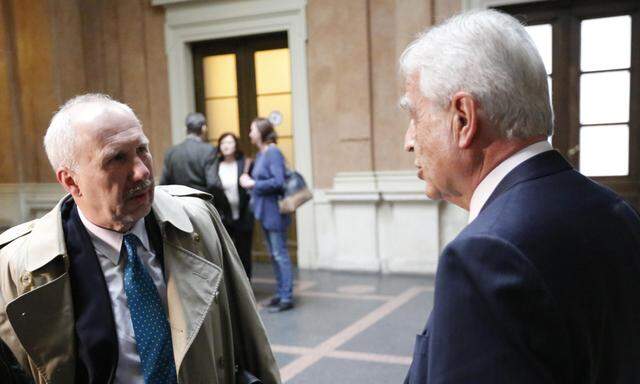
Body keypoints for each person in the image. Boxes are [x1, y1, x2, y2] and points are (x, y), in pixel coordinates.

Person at [400, 10, 640, 384]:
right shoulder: (615, 210)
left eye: (415, 116)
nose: (408, 140)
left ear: (462, 118)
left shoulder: (484, 254)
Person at [0, 94, 280, 384]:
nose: (142, 171)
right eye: (117, 158)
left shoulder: (198, 218)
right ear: (71, 181)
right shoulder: (17, 264)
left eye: (142, 149)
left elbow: (250, 338)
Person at [240, 118, 294, 313]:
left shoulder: (272, 152)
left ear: (262, 132)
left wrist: (253, 184)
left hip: (275, 213)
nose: (250, 134)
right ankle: (281, 293)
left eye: (252, 130)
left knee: (280, 254)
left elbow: (278, 181)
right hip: (264, 211)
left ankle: (286, 297)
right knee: (274, 255)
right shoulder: (262, 153)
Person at [211, 132, 255, 279]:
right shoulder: (215, 165)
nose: (226, 146)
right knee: (227, 255)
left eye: (230, 142)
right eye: (223, 143)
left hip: (244, 216)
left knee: (244, 255)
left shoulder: (244, 163)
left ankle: (247, 286)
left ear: (236, 145)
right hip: (225, 218)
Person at [159, 112, 217, 193]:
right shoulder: (209, 150)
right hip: (201, 201)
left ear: (186, 129)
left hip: (177, 202)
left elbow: (163, 183)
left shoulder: (171, 151)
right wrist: (224, 204)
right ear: (204, 128)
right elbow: (213, 183)